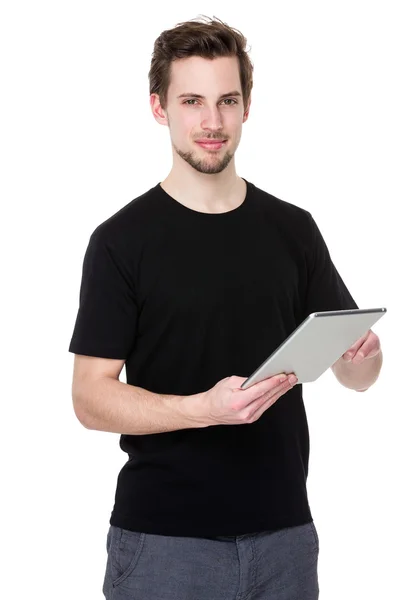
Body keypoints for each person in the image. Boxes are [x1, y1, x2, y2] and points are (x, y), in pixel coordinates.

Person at [69, 15, 383, 600]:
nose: (212, 122)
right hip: (164, 545)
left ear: (246, 107)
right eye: (192, 101)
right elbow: (89, 397)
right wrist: (202, 409)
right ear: (160, 108)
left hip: (286, 539)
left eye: (227, 100)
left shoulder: (294, 230)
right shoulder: (120, 241)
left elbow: (357, 373)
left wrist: (362, 356)